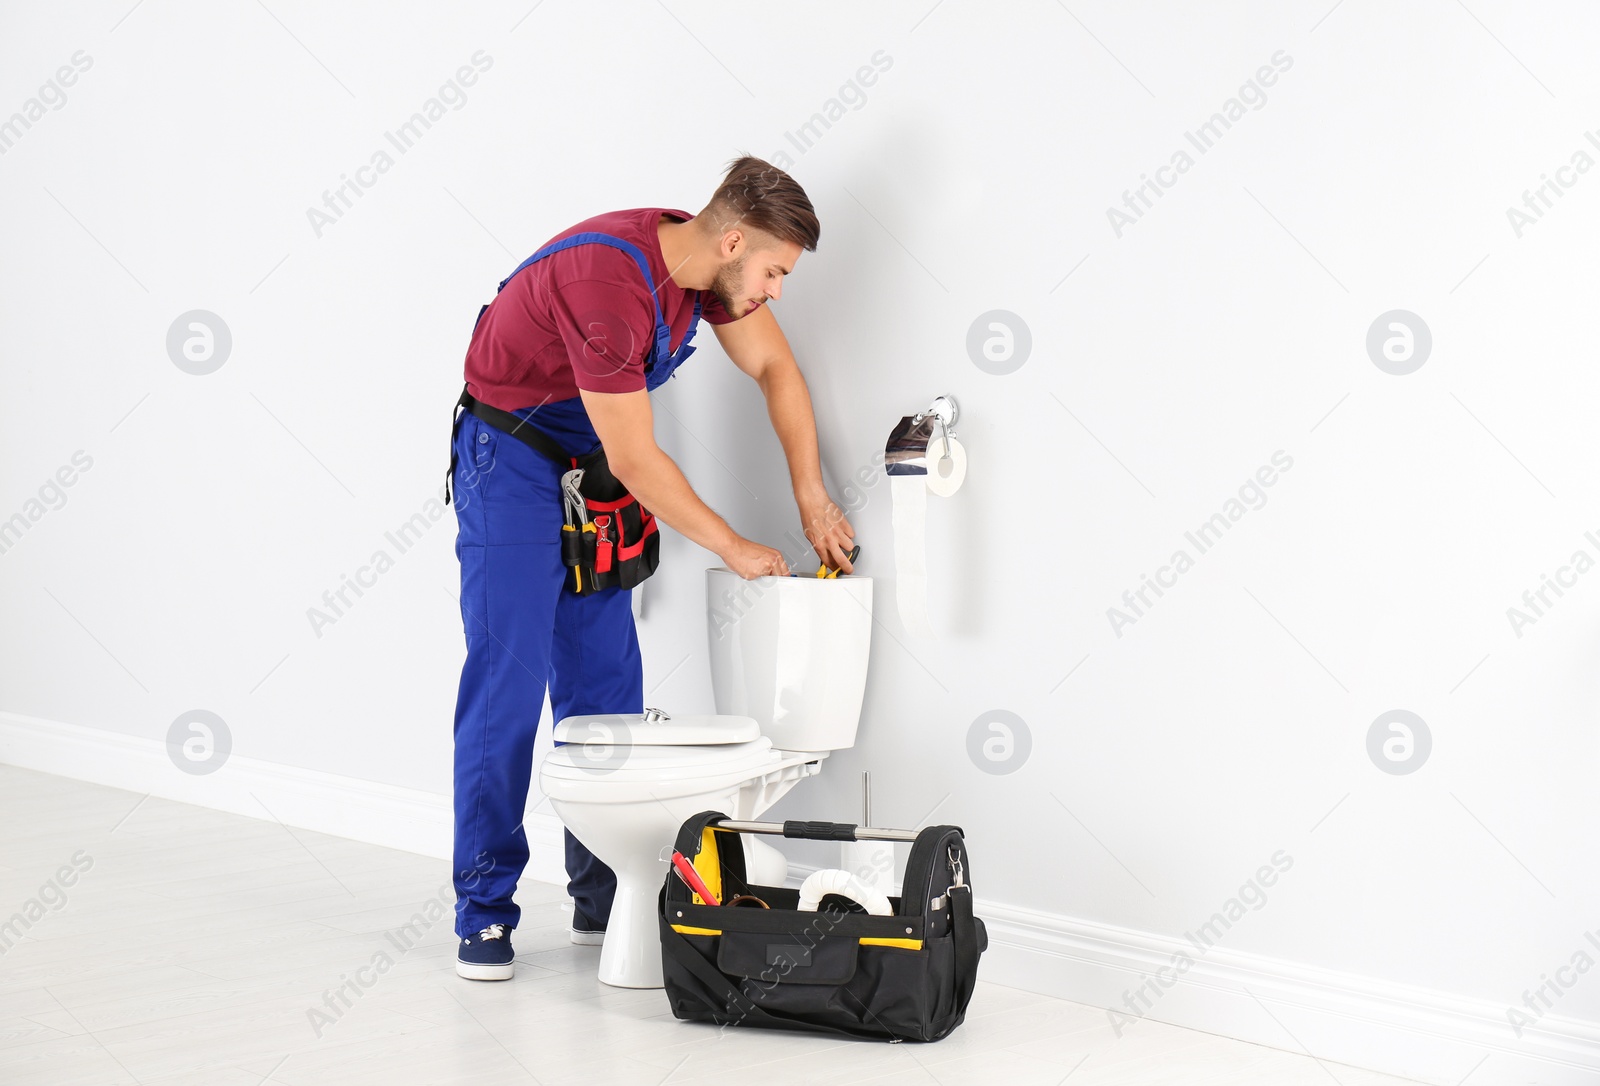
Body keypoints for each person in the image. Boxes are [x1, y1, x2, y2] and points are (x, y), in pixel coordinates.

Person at [445, 155, 857, 980]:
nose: (775, 291)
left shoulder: (704, 272)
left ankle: (607, 896)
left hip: (587, 460)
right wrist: (735, 545)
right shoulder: (610, 289)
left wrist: (811, 495)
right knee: (511, 683)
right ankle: (483, 910)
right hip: (511, 456)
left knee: (605, 691)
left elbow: (776, 369)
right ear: (735, 240)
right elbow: (638, 459)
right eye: (775, 272)